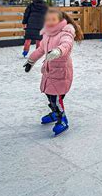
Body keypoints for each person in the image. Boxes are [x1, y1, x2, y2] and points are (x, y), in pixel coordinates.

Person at [23, 8, 84, 136]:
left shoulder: (66, 32)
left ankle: (63, 119)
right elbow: (41, 49)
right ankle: (55, 113)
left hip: (61, 72)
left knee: (56, 98)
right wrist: (31, 61)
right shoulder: (48, 34)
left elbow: (66, 45)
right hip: (49, 71)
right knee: (49, 94)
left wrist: (58, 51)